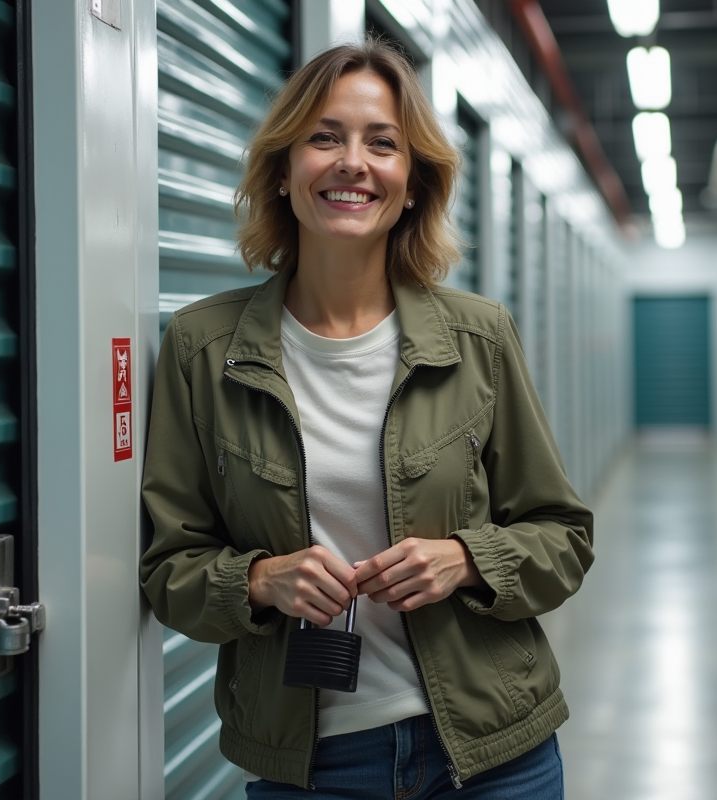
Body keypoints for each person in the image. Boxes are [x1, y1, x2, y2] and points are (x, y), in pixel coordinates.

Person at [139, 37, 594, 800]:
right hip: (312, 770)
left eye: (382, 143)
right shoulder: (201, 346)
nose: (354, 162)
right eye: (325, 137)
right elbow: (167, 571)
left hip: (490, 756)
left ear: (411, 183)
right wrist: (259, 580)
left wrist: (468, 559)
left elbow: (563, 537)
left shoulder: (478, 337)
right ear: (283, 173)